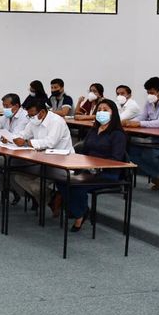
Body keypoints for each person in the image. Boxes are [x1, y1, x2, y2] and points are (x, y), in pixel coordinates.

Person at [57, 99, 127, 232]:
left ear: (113, 113)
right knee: (61, 180)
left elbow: (116, 159)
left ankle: (79, 215)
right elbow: (84, 151)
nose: (101, 112)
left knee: (77, 186)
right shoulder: (93, 130)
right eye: (99, 110)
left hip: (107, 173)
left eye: (105, 110)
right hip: (88, 170)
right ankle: (79, 209)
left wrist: (95, 166)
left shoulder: (118, 134)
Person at [11, 101, 75, 216]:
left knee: (36, 187)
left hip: (60, 163)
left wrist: (26, 142)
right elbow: (24, 134)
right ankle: (52, 199)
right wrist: (12, 138)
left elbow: (50, 142)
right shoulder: (34, 120)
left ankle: (52, 199)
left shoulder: (56, 121)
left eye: (32, 115)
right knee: (18, 177)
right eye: (29, 115)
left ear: (42, 112)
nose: (31, 117)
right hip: (42, 161)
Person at [123, 76, 159, 190]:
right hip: (155, 138)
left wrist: (138, 123)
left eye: (152, 92)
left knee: (147, 153)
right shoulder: (150, 100)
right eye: (148, 92)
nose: (149, 95)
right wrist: (129, 122)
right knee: (130, 150)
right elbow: (142, 116)